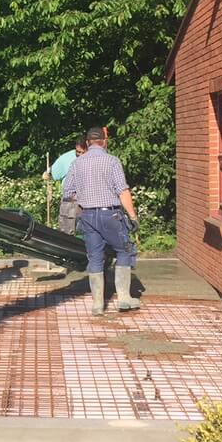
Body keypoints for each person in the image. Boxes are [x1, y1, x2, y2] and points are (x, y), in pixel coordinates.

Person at [64, 126, 140, 315]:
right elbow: (122, 191)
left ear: (87, 143)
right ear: (104, 141)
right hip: (110, 215)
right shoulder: (112, 161)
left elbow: (68, 193)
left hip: (87, 216)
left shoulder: (76, 163)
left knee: (95, 257)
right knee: (125, 250)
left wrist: (84, 200)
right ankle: (124, 298)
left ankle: (98, 304)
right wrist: (133, 216)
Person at [44, 134, 87, 233]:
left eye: (83, 152)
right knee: (67, 234)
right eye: (78, 152)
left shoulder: (94, 158)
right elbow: (52, 174)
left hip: (88, 202)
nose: (80, 155)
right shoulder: (67, 158)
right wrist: (48, 173)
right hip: (71, 202)